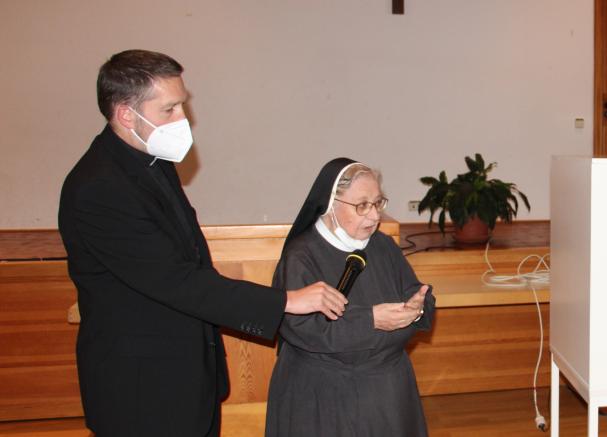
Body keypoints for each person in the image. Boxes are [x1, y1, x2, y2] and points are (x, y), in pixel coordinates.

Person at [57, 50, 348, 436]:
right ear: (126, 114)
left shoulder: (151, 160)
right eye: (170, 109)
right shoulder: (99, 187)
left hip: (186, 376)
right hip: (142, 389)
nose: (184, 119)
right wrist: (289, 300)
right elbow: (175, 280)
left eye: (183, 106)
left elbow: (192, 257)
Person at [265, 159, 435, 436]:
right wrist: (371, 320)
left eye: (378, 203)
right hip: (327, 394)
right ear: (331, 204)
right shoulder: (301, 256)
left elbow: (414, 292)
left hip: (388, 390)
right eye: (362, 206)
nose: (374, 216)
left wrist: (417, 308)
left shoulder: (383, 245)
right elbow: (303, 329)